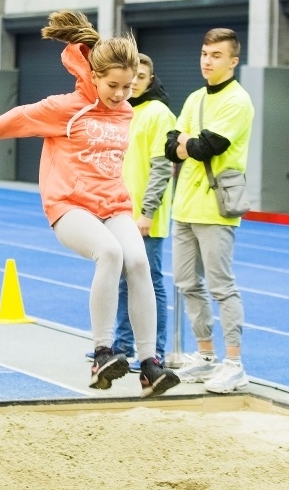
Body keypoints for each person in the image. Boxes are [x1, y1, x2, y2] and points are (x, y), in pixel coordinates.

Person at [0, 10, 180, 398]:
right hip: (69, 206)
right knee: (110, 253)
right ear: (95, 76)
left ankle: (149, 364)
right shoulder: (66, 107)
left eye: (128, 87)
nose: (120, 95)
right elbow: (19, 117)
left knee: (138, 261)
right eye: (113, 86)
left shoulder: (126, 111)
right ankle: (102, 354)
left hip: (113, 205)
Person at [164, 28, 255, 394]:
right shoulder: (194, 98)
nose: (207, 60)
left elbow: (207, 147)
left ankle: (234, 363)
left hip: (216, 207)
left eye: (216, 55)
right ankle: (205, 355)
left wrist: (187, 142)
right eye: (204, 53)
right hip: (184, 205)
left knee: (221, 286)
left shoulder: (238, 101)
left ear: (233, 61)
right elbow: (171, 146)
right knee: (186, 283)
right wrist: (188, 142)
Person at [111, 53, 175, 371]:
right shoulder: (123, 111)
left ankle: (155, 351)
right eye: (131, 75)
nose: (134, 81)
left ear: (151, 80)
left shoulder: (158, 114)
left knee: (150, 282)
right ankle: (122, 346)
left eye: (141, 76)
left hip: (144, 216)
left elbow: (162, 167)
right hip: (120, 212)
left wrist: (148, 212)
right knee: (123, 281)